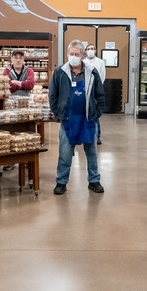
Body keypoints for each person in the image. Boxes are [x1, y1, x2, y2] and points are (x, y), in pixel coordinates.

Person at [49, 40, 105, 195]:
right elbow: (52, 95)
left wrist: (96, 113)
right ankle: (61, 182)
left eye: (76, 54)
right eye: (70, 54)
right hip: (68, 120)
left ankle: (94, 180)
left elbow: (100, 95)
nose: (73, 56)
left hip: (87, 120)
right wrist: (58, 114)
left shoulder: (92, 72)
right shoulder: (60, 72)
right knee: (65, 153)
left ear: (82, 55)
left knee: (92, 153)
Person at [83, 43, 106, 145]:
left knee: (95, 115)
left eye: (92, 48)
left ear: (96, 50)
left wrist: (97, 89)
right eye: (88, 49)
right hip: (84, 91)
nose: (90, 50)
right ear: (85, 51)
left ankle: (97, 136)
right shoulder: (83, 62)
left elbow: (102, 76)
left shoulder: (100, 62)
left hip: (95, 91)